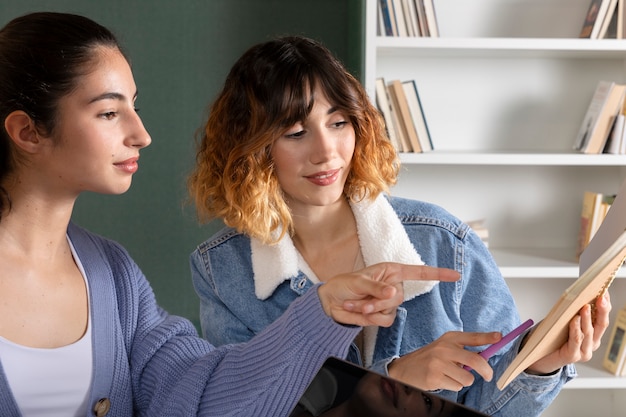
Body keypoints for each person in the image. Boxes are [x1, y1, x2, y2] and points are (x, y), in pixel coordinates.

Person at [0, 12, 459, 417]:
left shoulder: (114, 277)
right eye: (107, 112)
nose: (141, 134)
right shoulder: (214, 266)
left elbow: (201, 398)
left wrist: (322, 315)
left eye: (134, 107)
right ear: (27, 131)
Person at [187, 35, 612, 417]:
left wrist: (540, 364)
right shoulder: (224, 271)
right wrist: (394, 377)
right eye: (296, 132)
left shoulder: (443, 239)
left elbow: (493, 404)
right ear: (253, 150)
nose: (326, 151)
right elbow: (241, 407)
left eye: (339, 123)